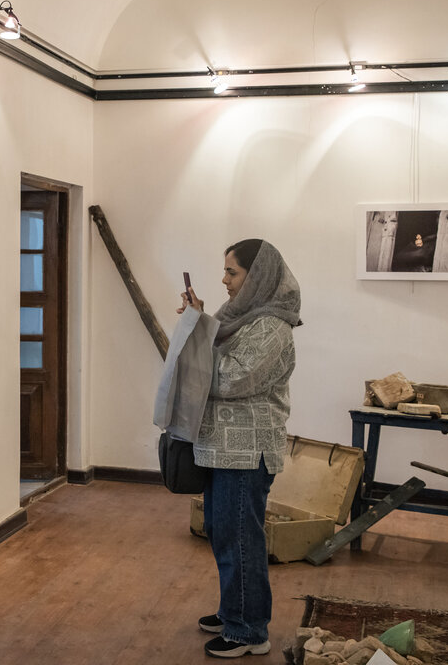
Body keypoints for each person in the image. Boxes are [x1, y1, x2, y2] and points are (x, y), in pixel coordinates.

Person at [176, 238, 301, 658]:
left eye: (232, 272)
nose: (224, 280)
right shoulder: (239, 318)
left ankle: (249, 630)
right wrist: (199, 321)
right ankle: (235, 610)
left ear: (257, 276)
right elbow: (215, 353)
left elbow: (230, 379)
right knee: (221, 530)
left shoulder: (272, 327)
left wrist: (197, 337)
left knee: (240, 539)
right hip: (222, 447)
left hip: (247, 452)